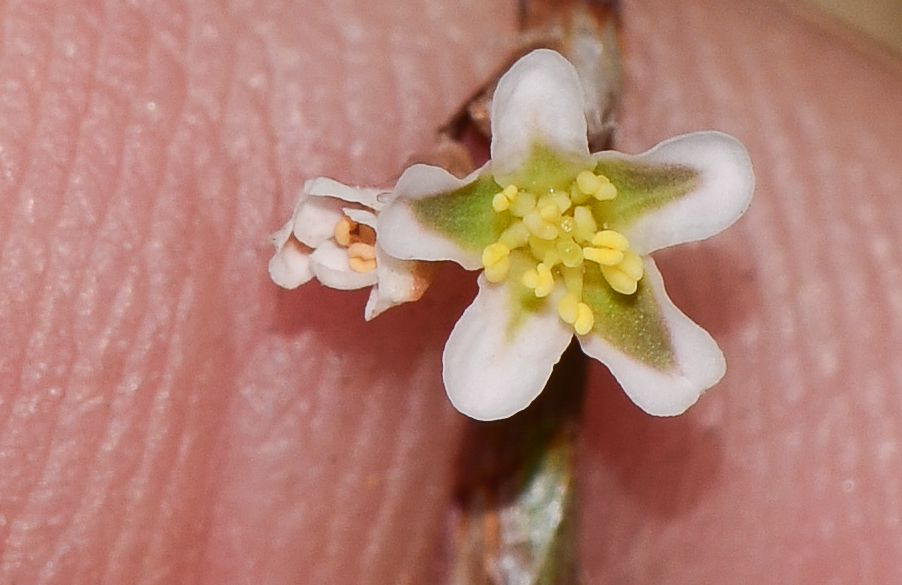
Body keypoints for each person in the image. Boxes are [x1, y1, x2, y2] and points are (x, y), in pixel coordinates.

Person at [1, 0, 900, 582]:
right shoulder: (478, 191)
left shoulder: (637, 192)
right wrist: (410, 205)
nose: (557, 235)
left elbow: (670, 160)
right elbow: (505, 129)